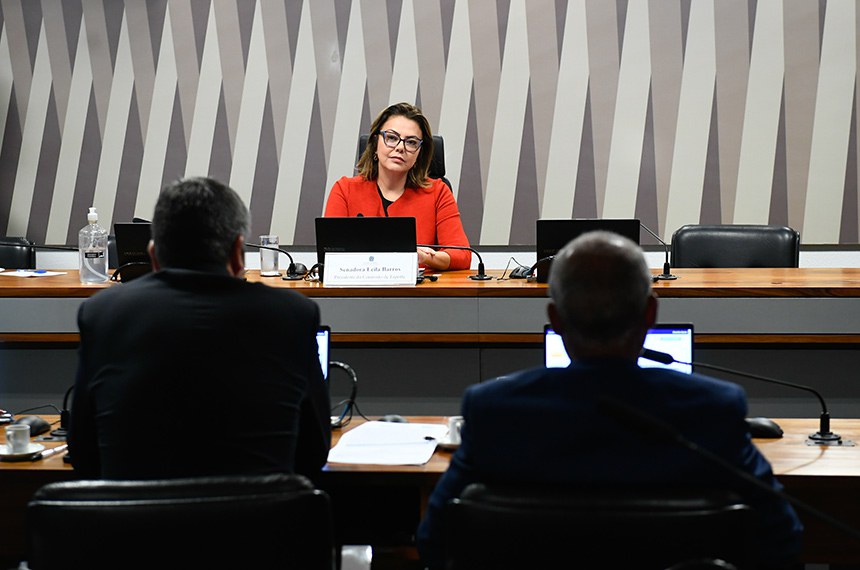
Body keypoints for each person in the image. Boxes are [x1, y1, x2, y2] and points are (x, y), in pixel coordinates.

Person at [416, 231, 803, 569]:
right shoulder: (714, 408)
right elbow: (783, 541)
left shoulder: (494, 409)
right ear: (650, 315)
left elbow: (436, 540)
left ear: (556, 319)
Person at [69, 177, 330, 479]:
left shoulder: (102, 315)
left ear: (153, 254)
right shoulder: (293, 315)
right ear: (238, 253)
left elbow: (83, 455)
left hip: (137, 524)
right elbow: (314, 452)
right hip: (257, 522)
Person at [324, 102, 471, 271]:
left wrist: (425, 257)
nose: (400, 148)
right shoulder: (344, 190)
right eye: (392, 138)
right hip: (359, 294)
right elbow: (330, 255)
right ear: (374, 143)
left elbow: (462, 255)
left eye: (411, 142)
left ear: (419, 153)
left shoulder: (438, 192)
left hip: (418, 295)